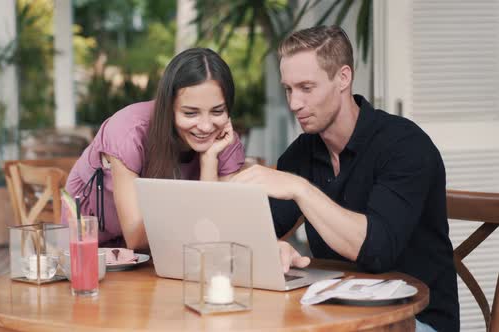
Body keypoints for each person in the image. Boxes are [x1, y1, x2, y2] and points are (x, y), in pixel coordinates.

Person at [230, 26, 458, 332]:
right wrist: (268, 246)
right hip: (336, 318)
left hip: (414, 321)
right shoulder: (302, 153)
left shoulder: (405, 145)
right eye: (288, 89)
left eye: (306, 87)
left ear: (343, 78)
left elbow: (377, 251)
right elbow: (249, 232)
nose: (294, 103)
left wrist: (299, 189)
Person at [65, 48, 245, 250]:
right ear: (168, 107)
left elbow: (213, 231)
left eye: (217, 111)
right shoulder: (128, 131)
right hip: (90, 248)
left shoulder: (224, 140)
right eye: (190, 113)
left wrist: (209, 160)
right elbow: (136, 238)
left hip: (164, 252)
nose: (205, 126)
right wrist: (196, 207)